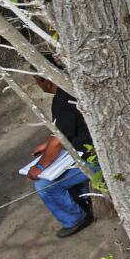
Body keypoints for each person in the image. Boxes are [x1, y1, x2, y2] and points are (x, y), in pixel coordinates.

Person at [29, 77, 94, 238]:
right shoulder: (68, 92)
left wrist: (40, 167)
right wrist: (46, 145)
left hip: (93, 158)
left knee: (45, 185)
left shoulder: (63, 102)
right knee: (57, 168)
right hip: (86, 150)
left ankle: (75, 218)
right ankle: (82, 200)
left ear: (46, 81)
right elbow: (61, 130)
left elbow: (58, 142)